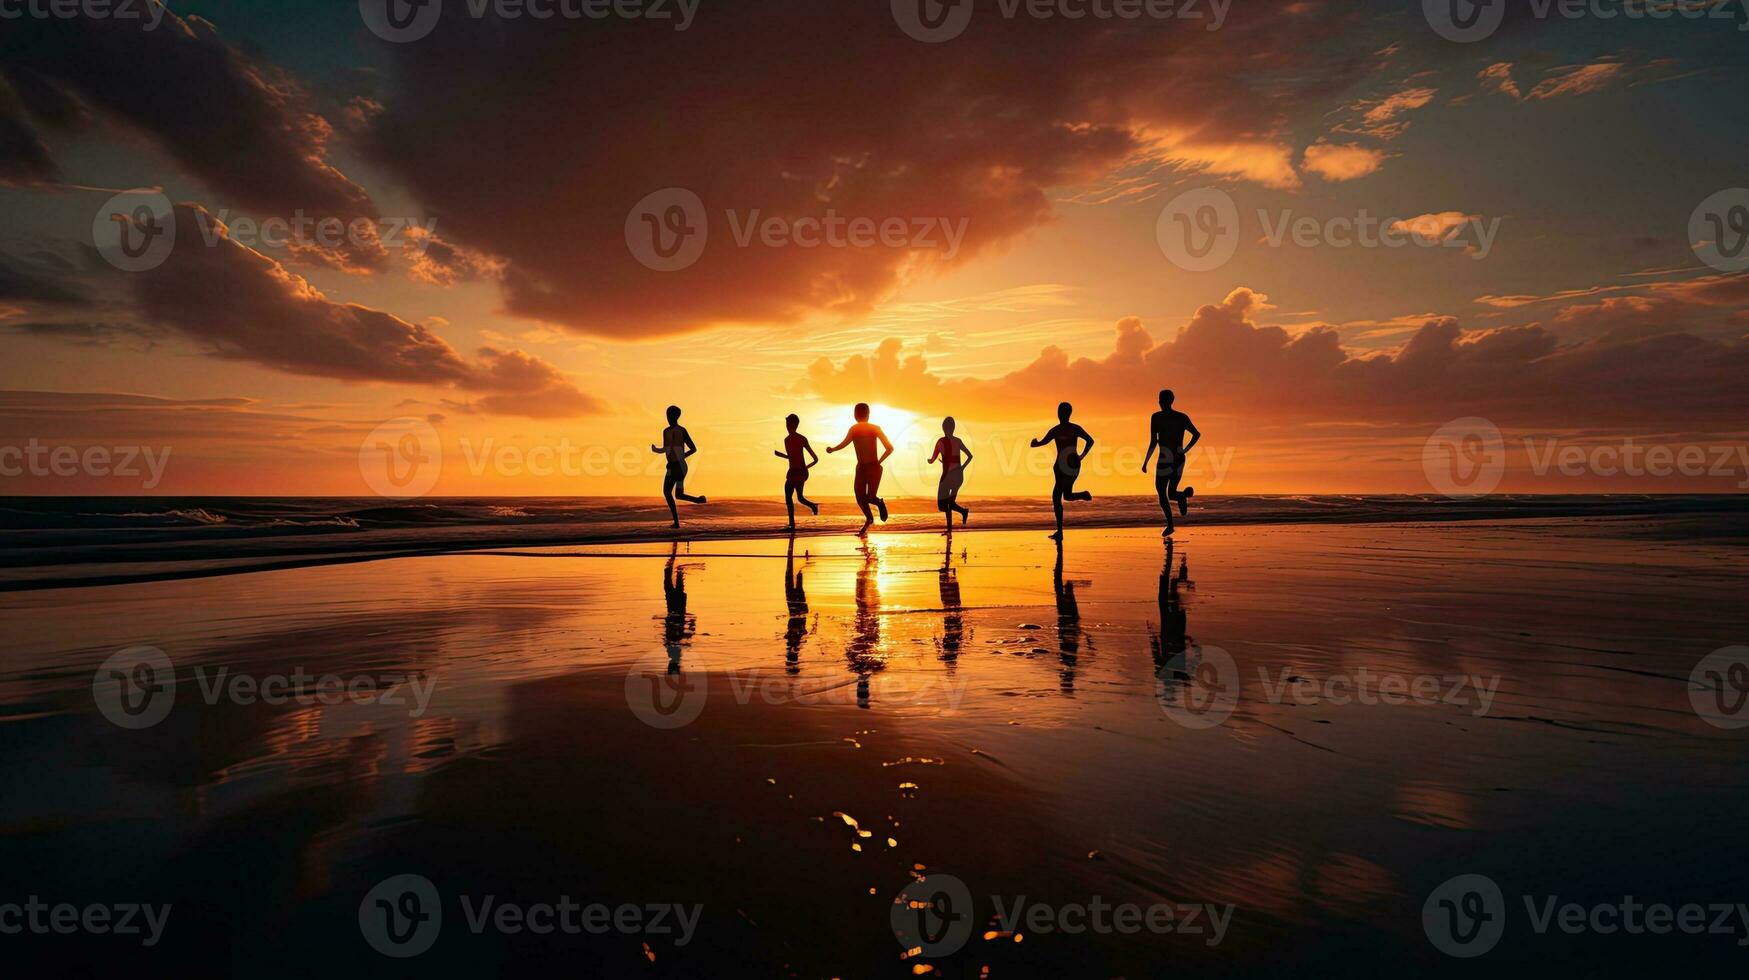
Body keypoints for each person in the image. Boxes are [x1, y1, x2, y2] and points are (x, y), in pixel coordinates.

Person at [826, 402, 893, 536]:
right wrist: (878, 462)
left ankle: (879, 504)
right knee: (861, 497)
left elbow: (889, 447)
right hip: (865, 467)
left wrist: (833, 449)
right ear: (868, 414)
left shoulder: (863, 429)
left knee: (868, 497)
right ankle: (869, 519)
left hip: (870, 467)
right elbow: (889, 449)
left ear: (856, 415)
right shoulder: (862, 429)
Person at [1141, 389, 1201, 536]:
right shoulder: (1173, 417)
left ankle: (1171, 521)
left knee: (1164, 494)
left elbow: (1196, 434)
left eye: (1161, 399)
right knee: (1170, 493)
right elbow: (1196, 434)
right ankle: (1182, 497)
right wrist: (1146, 461)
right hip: (1174, 458)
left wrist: (1185, 449)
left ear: (1164, 401)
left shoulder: (1161, 417)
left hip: (1168, 459)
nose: (1160, 402)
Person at [1030, 401, 1094, 540]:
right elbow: (1043, 442)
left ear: (1066, 414)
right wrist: (1036, 443)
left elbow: (1090, 441)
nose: (1060, 414)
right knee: (1067, 496)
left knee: (1057, 496)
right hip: (1063, 466)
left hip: (1068, 465)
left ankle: (1060, 532)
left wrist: (1081, 456)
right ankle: (1083, 495)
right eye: (1059, 412)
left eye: (1062, 412)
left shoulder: (1067, 429)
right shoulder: (1059, 430)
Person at [650, 405, 706, 528]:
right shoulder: (665, 431)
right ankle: (697, 500)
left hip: (680, 467)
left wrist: (681, 457)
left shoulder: (682, 430)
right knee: (677, 494)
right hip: (671, 467)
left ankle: (676, 523)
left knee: (668, 492)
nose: (668, 418)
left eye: (670, 415)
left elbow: (693, 449)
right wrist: (656, 450)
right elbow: (666, 449)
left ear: (676, 416)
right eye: (667, 415)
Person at [774, 414, 820, 530]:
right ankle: (812, 506)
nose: (787, 426)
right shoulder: (791, 439)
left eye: (788, 424)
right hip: (797, 472)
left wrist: (805, 467)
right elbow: (793, 457)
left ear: (792, 425)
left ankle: (792, 523)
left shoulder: (792, 439)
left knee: (789, 496)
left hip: (798, 472)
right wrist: (782, 455)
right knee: (799, 497)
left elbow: (815, 458)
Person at [927, 417, 973, 532]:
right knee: (950, 503)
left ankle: (950, 528)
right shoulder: (958, 441)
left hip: (947, 476)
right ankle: (961, 514)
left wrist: (929, 460)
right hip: (958, 476)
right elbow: (970, 456)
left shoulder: (940, 441)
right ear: (953, 428)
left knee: (943, 505)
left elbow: (932, 460)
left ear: (943, 428)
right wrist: (962, 468)